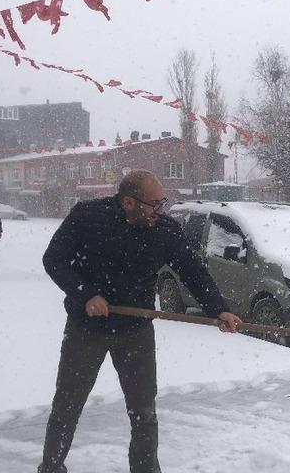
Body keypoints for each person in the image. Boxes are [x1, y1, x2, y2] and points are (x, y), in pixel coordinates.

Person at [38, 170, 242, 473]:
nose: (160, 210)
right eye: (154, 204)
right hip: (86, 330)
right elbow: (53, 260)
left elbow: (193, 271)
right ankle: (51, 467)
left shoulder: (164, 230)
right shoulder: (87, 217)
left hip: (136, 332)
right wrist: (86, 295)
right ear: (129, 202)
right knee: (66, 407)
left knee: (144, 412)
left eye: (163, 202)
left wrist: (218, 309)